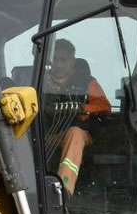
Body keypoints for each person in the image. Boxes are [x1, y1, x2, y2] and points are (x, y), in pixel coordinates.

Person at [44, 38, 112, 195]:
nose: (59, 64)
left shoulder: (87, 82)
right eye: (55, 59)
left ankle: (64, 190)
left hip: (82, 134)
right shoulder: (40, 81)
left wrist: (84, 108)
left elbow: (105, 106)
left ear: (72, 62)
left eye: (64, 60)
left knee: (74, 133)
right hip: (48, 135)